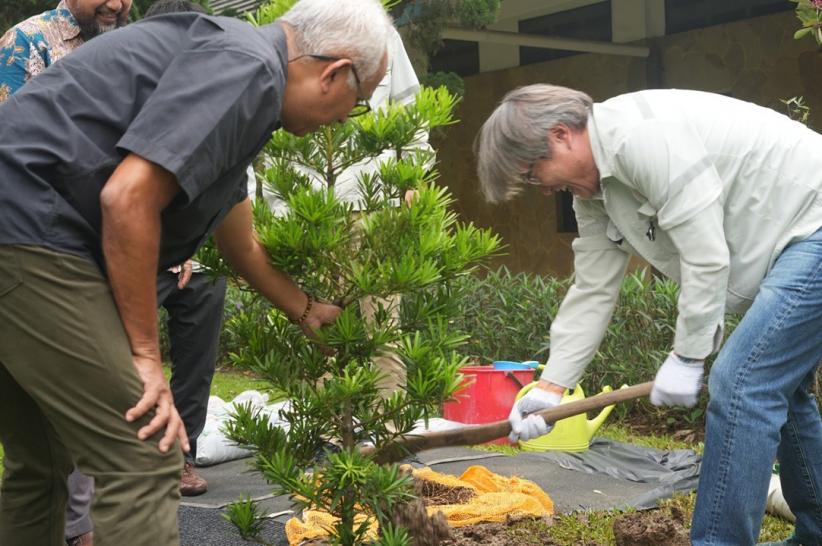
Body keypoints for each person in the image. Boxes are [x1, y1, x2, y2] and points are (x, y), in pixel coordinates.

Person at [0, 0, 393, 544]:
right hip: (29, 233)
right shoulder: (249, 69)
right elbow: (127, 198)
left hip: (20, 227)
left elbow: (240, 242)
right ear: (334, 73)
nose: (348, 118)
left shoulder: (233, 71)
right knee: (144, 454)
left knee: (42, 465)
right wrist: (145, 357)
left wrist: (304, 309)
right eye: (360, 101)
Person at [475, 85, 822, 546]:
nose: (544, 188)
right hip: (795, 239)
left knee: (742, 382)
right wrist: (551, 387)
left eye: (534, 174)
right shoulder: (593, 193)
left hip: (815, 223)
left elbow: (705, 255)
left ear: (560, 135)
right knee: (778, 388)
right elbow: (593, 289)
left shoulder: (644, 139)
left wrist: (688, 356)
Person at [253, 26, 432, 397]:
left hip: (375, 208)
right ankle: (330, 424)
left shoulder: (381, 34)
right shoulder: (288, 33)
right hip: (307, 212)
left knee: (382, 329)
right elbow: (270, 137)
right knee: (316, 327)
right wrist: (276, 210)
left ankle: (386, 425)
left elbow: (411, 112)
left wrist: (411, 179)